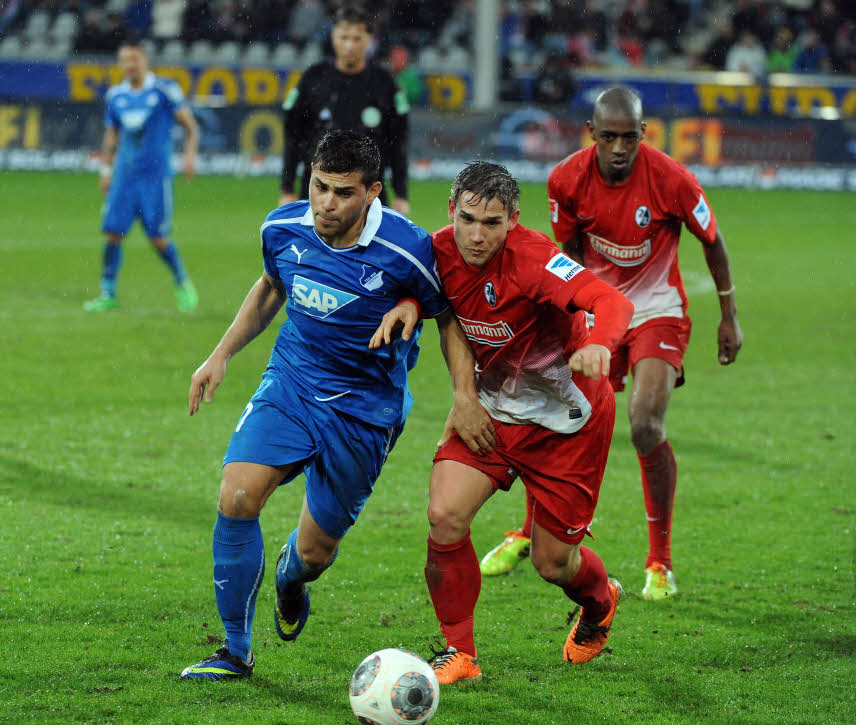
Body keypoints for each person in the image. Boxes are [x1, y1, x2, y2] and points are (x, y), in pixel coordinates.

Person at [180, 130, 491, 681]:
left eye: (343, 192)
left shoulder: (408, 248)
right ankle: (235, 651)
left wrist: (464, 397)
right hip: (292, 384)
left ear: (373, 191)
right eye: (319, 186)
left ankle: (290, 577)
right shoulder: (282, 228)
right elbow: (271, 286)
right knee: (237, 495)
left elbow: (449, 316)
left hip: (365, 411)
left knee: (316, 553)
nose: (326, 202)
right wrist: (220, 354)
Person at [371, 161, 634, 679]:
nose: (476, 234)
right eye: (468, 218)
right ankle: (461, 653)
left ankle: (601, 600)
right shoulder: (437, 250)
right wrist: (406, 304)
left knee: (552, 563)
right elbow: (431, 298)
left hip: (567, 423)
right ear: (452, 210)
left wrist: (601, 343)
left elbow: (611, 300)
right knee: (444, 516)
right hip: (490, 412)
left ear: (513, 219)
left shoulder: (535, 259)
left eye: (492, 223)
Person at [479, 87, 743, 599]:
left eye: (629, 137)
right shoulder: (566, 180)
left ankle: (660, 561)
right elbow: (569, 257)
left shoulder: (673, 180)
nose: (619, 147)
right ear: (592, 135)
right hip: (596, 313)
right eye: (609, 137)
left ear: (644, 134)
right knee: (554, 417)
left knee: (645, 424)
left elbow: (713, 242)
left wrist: (729, 315)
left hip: (657, 313)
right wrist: (562, 327)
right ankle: (524, 531)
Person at [83, 38, 200, 313]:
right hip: (124, 177)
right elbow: (111, 135)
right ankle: (107, 293)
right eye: (124, 60)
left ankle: (182, 282)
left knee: (158, 238)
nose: (129, 65)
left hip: (154, 178)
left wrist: (190, 156)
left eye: (134, 59)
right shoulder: (116, 96)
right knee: (113, 233)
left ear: (145, 60)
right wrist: (105, 169)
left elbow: (190, 126)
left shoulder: (164, 90)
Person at [280, 3, 410, 216]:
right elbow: (293, 137)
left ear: (369, 39)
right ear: (333, 37)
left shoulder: (385, 83)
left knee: (368, 248)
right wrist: (286, 188)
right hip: (318, 188)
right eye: (344, 37)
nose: (349, 45)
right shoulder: (313, 79)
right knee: (317, 248)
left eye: (357, 39)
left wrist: (401, 194)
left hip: (369, 192)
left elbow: (398, 142)